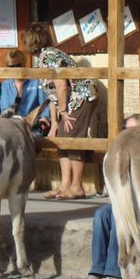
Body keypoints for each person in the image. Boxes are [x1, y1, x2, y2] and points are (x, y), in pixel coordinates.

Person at [21, 21, 98, 200]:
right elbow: (53, 93)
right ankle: (64, 186)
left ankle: (77, 187)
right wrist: (55, 122)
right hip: (68, 102)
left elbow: (61, 85)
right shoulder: (42, 57)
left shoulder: (49, 56)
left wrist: (63, 111)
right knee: (62, 139)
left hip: (80, 99)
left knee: (73, 140)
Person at [78, 114, 140, 279]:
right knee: (101, 214)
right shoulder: (124, 152)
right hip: (124, 200)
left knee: (117, 217)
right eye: (126, 130)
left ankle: (114, 271)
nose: (128, 134)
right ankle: (96, 270)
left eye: (132, 130)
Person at [0, 49, 47, 118]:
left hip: (33, 122)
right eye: (12, 67)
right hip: (13, 122)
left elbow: (44, 105)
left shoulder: (36, 82)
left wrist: (45, 118)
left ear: (24, 63)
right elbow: (4, 110)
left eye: (18, 65)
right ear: (7, 68)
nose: (16, 69)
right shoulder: (6, 85)